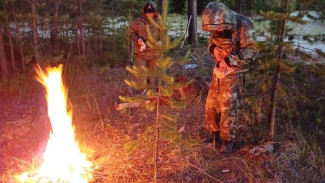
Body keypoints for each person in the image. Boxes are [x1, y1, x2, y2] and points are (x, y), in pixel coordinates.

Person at [202, 2, 258, 153]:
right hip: (219, 70)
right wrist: (213, 49)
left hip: (235, 73)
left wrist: (229, 60)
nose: (219, 31)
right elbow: (211, 41)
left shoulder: (244, 23)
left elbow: (252, 50)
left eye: (221, 28)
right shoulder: (216, 22)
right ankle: (213, 134)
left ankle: (227, 140)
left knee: (228, 107)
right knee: (211, 104)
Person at [130, 0, 160, 90]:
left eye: (151, 12)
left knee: (153, 75)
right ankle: (141, 92)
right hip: (141, 53)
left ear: (155, 11)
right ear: (144, 11)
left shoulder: (158, 22)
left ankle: (153, 93)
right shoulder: (138, 22)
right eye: (147, 12)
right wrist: (138, 40)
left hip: (154, 53)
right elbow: (131, 33)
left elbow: (164, 35)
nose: (149, 14)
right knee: (141, 74)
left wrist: (161, 42)